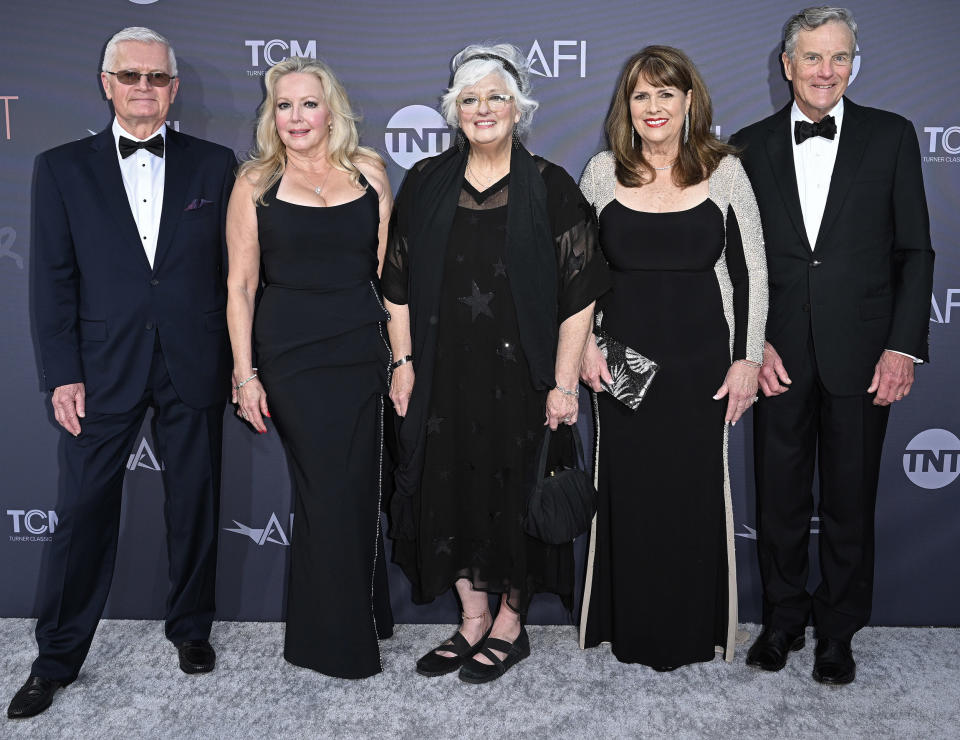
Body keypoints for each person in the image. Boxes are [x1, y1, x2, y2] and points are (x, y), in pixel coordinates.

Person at [9, 27, 236, 719]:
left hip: (193, 360)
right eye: (130, 76)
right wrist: (61, 374)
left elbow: (238, 276)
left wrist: (240, 362)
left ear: (173, 87)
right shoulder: (60, 167)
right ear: (105, 83)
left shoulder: (216, 163)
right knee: (81, 514)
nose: (145, 88)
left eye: (157, 78)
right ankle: (56, 657)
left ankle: (191, 628)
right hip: (100, 369)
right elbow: (51, 281)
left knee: (194, 501)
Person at [383, 43, 610, 684]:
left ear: (518, 108)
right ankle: (472, 618)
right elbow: (394, 283)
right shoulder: (426, 182)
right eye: (471, 99)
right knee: (446, 487)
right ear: (455, 111)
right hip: (441, 376)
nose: (484, 109)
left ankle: (511, 625)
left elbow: (580, 295)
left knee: (511, 491)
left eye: (496, 96)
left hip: (523, 379)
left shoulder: (550, 186)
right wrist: (401, 362)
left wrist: (566, 384)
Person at [731, 6, 934, 685]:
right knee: (779, 498)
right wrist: (753, 343)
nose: (826, 70)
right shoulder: (748, 145)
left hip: (864, 352)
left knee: (849, 500)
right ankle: (783, 620)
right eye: (812, 57)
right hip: (779, 355)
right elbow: (736, 261)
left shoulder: (893, 136)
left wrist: (903, 347)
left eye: (839, 57)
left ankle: (838, 632)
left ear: (854, 64)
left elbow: (916, 251)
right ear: (786, 65)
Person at [578, 46, 768, 670]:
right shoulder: (604, 172)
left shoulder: (726, 171)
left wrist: (745, 360)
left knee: (692, 494)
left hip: (702, 364)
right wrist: (583, 345)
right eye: (641, 95)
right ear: (625, 107)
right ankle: (628, 628)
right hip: (624, 362)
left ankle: (693, 631)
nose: (653, 107)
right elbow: (577, 275)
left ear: (691, 101)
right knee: (629, 493)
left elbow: (751, 274)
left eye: (666, 93)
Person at [226, 56, 394, 679]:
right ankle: (331, 642)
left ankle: (366, 611)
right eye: (283, 106)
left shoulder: (370, 172)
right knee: (326, 491)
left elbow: (387, 275)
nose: (296, 117)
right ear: (272, 116)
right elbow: (240, 286)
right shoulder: (254, 184)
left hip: (359, 348)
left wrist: (399, 358)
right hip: (291, 357)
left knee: (355, 489)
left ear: (332, 111)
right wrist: (245, 374)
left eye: (308, 104)